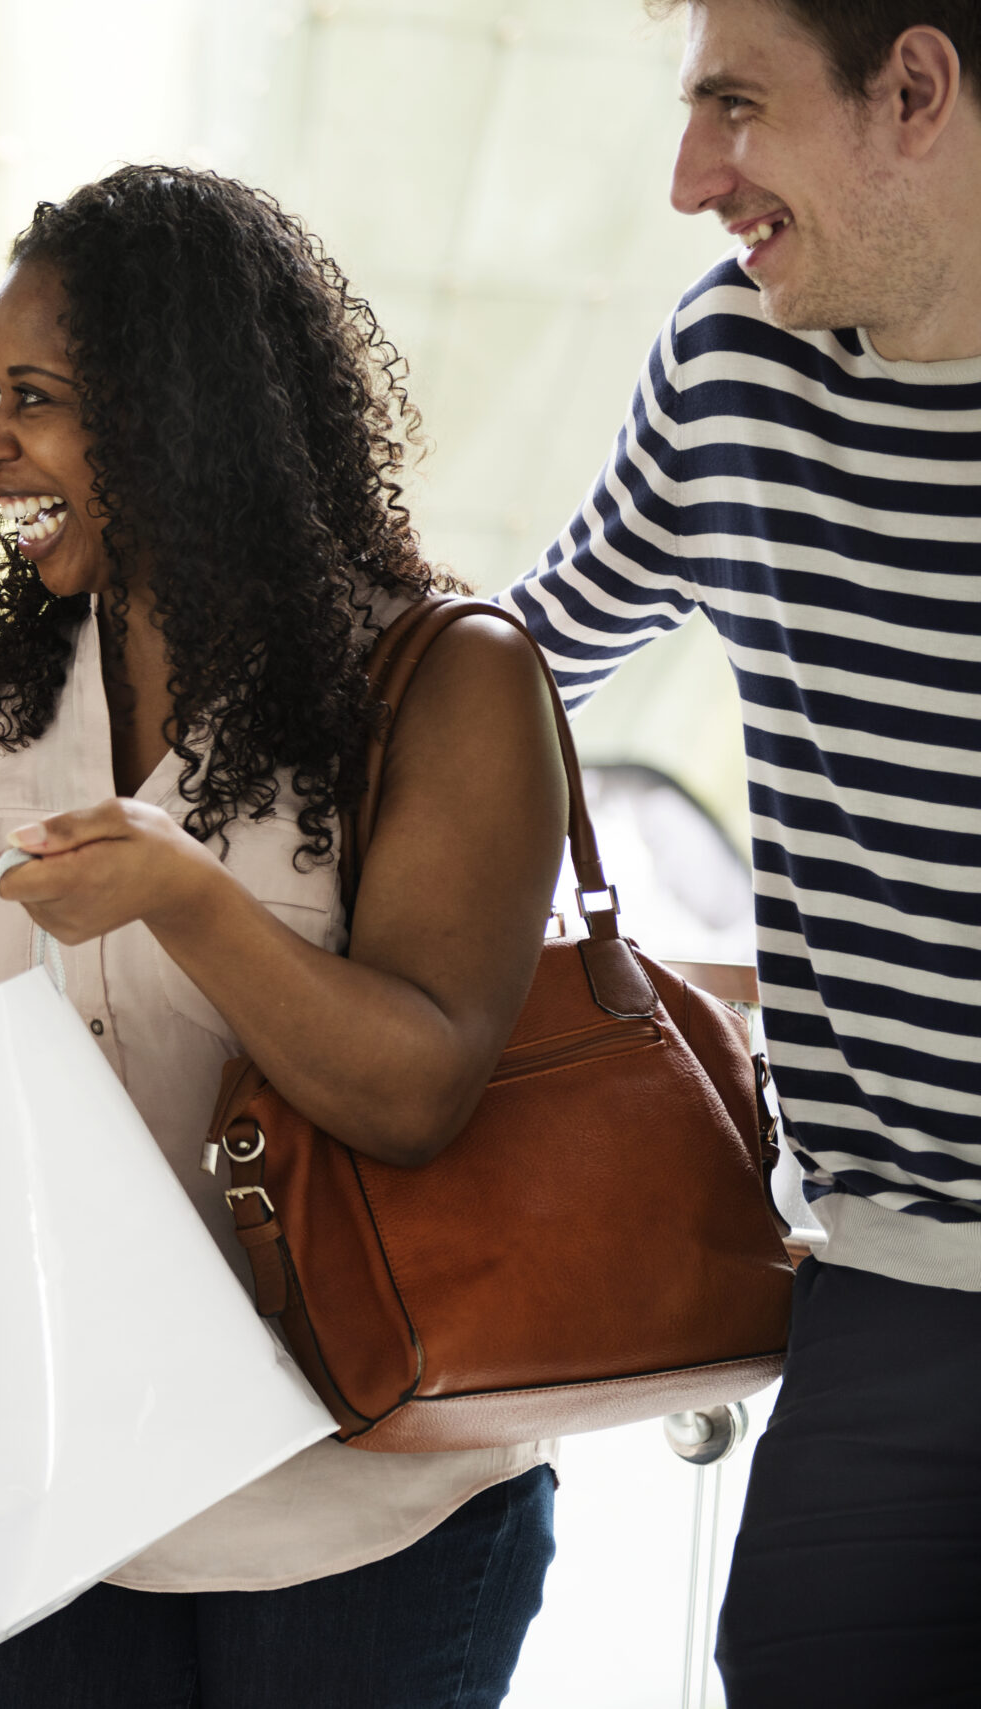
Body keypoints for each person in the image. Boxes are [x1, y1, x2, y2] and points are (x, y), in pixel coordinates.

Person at [0, 168, 567, 1707]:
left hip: (364, 1518)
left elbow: (420, 1084)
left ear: (178, 413)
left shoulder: (447, 685)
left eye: (36, 398)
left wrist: (184, 896)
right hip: (57, 1504)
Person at [498, 2, 981, 1699]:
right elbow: (512, 674)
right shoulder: (736, 366)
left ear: (913, 90)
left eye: (738, 110)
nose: (694, 177)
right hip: (890, 1285)